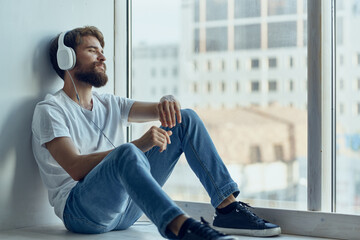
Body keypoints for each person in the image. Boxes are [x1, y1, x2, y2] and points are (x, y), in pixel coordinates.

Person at [31, 26, 281, 240]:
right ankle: (181, 228)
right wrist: (139, 144)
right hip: (82, 212)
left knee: (186, 118)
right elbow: (75, 168)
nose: (102, 57)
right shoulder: (50, 110)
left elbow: (166, 112)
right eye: (92, 50)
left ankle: (228, 210)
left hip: (126, 211)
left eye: (102, 51)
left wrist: (168, 100)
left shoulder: (109, 103)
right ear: (68, 60)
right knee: (128, 150)